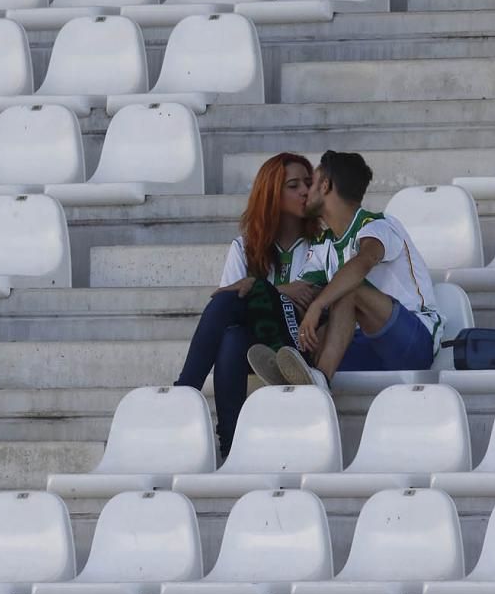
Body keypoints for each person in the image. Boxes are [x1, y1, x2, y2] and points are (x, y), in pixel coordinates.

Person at [174, 152, 320, 458]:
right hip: (258, 344)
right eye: (293, 186)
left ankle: (184, 392)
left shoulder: (321, 243)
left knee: (235, 299)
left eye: (308, 183)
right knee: (232, 337)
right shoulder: (245, 246)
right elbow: (231, 300)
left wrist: (264, 289)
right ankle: (230, 442)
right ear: (272, 194)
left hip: (299, 344)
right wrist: (281, 290)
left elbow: (310, 298)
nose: (305, 191)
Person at [259, 150, 442, 387]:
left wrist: (318, 304)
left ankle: (320, 381)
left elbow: (363, 262)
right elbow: (299, 289)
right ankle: (298, 370)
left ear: (325, 185)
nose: (305, 192)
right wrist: (258, 289)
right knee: (312, 320)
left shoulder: (379, 224)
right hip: (366, 345)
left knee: (347, 290)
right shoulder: (323, 242)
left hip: (415, 342)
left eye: (311, 183)